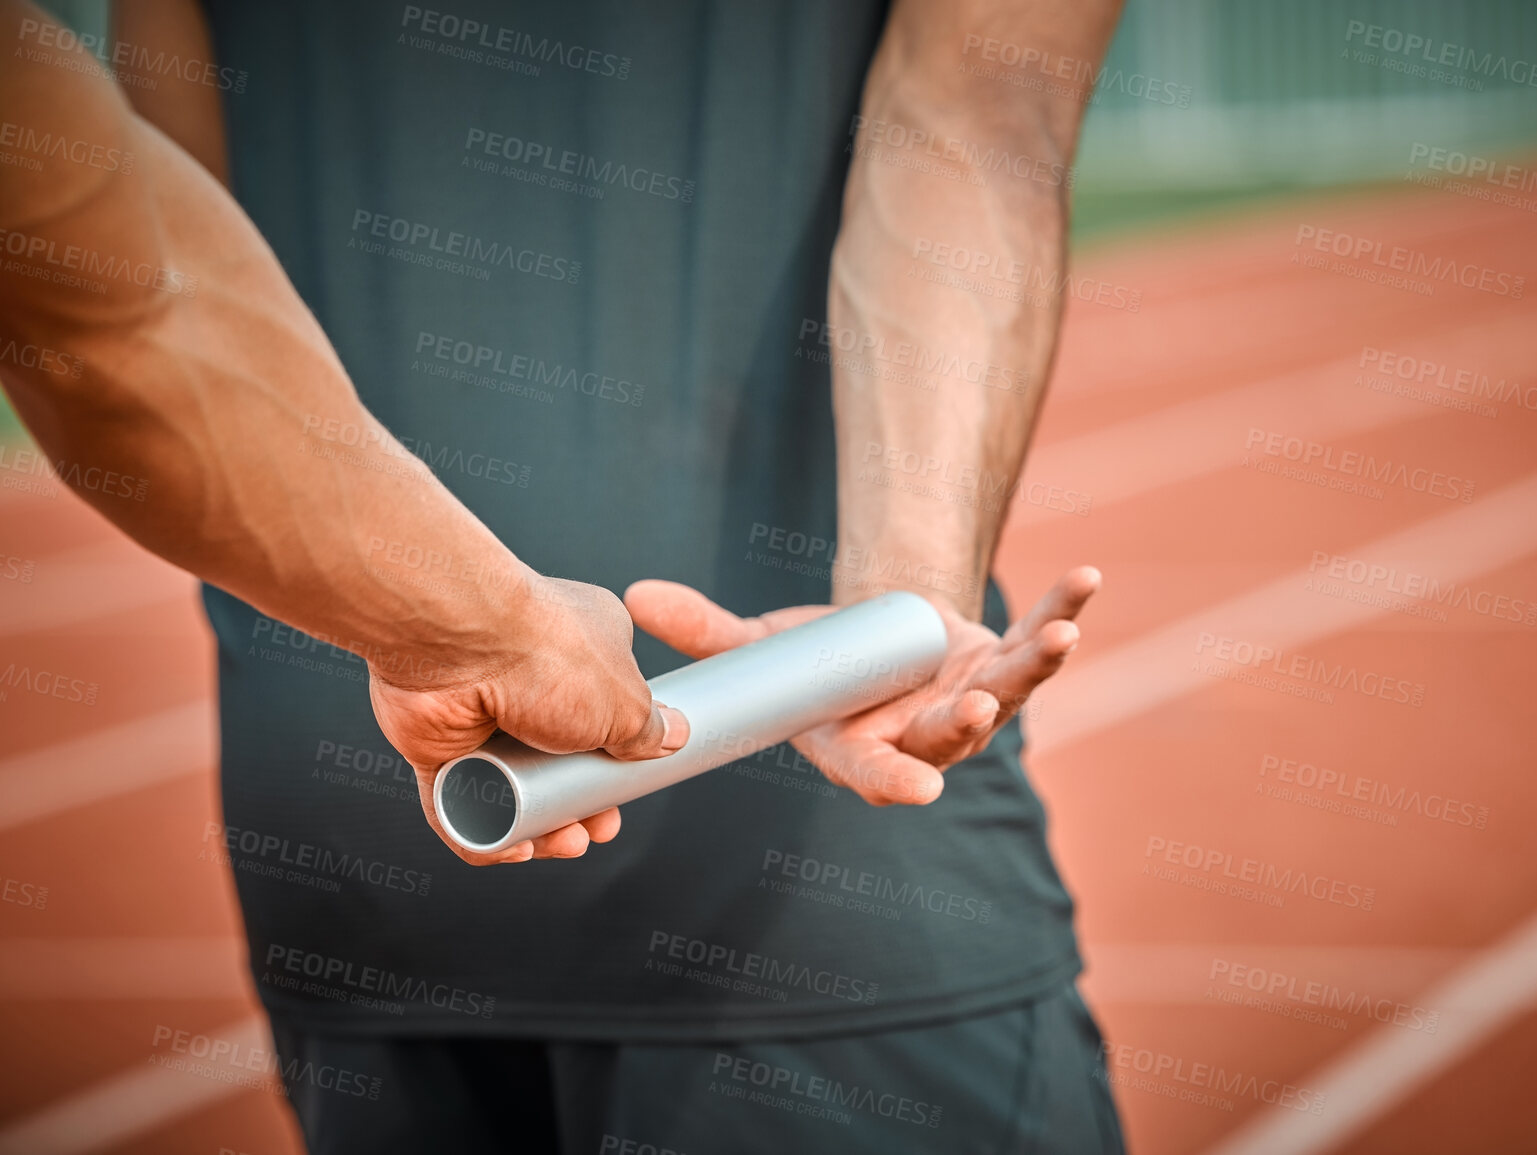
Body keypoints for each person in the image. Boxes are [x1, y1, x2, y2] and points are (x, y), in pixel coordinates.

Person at [0, 0, 1125, 1150]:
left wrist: (429, 616)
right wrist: (884, 621)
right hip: (813, 863)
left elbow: (139, 249)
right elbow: (979, 113)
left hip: (359, 781)